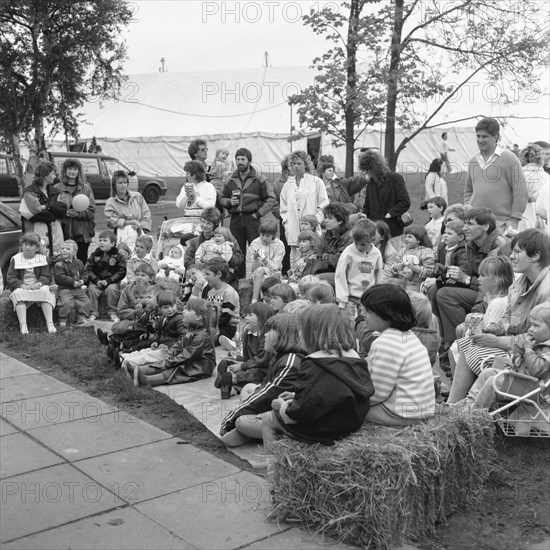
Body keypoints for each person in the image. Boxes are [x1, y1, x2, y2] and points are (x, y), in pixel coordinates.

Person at [447, 229, 550, 403]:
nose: (512, 256)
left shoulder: (546, 290)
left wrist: (495, 341)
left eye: (517, 251)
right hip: (517, 346)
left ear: (535, 256)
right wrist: (491, 329)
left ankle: (467, 409)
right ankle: (455, 405)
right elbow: (507, 318)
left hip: (533, 354)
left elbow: (537, 336)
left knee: (474, 350)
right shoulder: (520, 282)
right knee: (464, 342)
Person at [261, 304, 374, 448]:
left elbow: (303, 412)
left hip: (324, 430)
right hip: (351, 424)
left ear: (312, 333)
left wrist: (284, 406)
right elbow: (332, 393)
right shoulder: (354, 357)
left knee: (267, 419)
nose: (299, 334)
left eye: (301, 330)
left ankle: (270, 467)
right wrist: (296, 396)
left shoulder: (314, 363)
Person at [219, 313, 304, 447]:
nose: (264, 335)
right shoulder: (280, 356)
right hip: (276, 408)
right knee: (248, 388)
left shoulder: (290, 362)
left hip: (289, 420)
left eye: (269, 331)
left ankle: (259, 434)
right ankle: (252, 434)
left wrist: (231, 418)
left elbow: (267, 395)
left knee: (242, 421)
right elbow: (264, 390)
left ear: (282, 336)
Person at [360, 285, 435, 426]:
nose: (363, 314)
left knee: (345, 408)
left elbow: (377, 393)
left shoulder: (386, 343)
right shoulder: (408, 337)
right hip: (421, 410)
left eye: (368, 310)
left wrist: (355, 400)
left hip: (399, 413)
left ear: (386, 315)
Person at [455, 303, 550, 411]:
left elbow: (537, 370)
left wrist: (528, 350)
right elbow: (520, 357)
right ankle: (467, 405)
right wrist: (514, 360)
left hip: (535, 390)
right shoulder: (536, 341)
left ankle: (475, 413)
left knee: (493, 381)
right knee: (488, 372)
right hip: (523, 382)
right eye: (531, 325)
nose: (531, 329)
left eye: (536, 326)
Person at [435, 207, 506, 348]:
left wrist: (466, 280)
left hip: (494, 296)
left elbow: (491, 285)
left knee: (445, 294)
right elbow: (468, 272)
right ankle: (444, 341)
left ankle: (461, 341)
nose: (465, 228)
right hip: (478, 288)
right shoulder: (471, 243)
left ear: (485, 226)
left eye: (470, 224)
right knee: (434, 289)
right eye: (465, 223)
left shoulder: (498, 247)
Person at [130, 298, 219, 387]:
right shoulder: (193, 329)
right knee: (167, 363)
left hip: (201, 366)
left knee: (176, 371)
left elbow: (187, 354)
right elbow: (180, 344)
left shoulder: (202, 335)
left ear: (198, 317)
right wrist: (171, 353)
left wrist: (169, 362)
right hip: (192, 360)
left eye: (188, 310)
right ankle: (138, 370)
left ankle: (146, 381)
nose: (183, 311)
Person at [463, 117, 528, 235]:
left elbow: (520, 191)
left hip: (501, 224)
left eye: (485, 136)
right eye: (478, 136)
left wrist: (515, 219)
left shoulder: (509, 158)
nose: (480, 140)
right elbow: (468, 190)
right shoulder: (473, 161)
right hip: (475, 224)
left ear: (496, 137)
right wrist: (469, 209)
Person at [220, 148, 274, 277]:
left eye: (243, 159)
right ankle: (238, 280)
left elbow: (271, 199)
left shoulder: (260, 179)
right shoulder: (230, 179)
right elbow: (221, 198)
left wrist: (258, 214)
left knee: (257, 250)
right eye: (237, 159)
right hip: (235, 220)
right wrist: (229, 202)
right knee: (237, 251)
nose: (240, 162)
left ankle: (257, 278)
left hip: (252, 219)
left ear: (249, 161)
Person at [121, 289, 185, 384]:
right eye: (166, 307)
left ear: (176, 304)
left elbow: (182, 337)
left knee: (148, 356)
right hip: (160, 346)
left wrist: (169, 347)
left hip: (170, 351)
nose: (170, 309)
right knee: (143, 351)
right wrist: (155, 341)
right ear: (160, 308)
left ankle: (127, 363)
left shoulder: (179, 319)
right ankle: (122, 357)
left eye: (172, 306)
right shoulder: (163, 318)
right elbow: (158, 332)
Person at [215, 302, 276, 399]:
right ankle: (228, 383)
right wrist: (242, 365)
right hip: (250, 364)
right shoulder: (248, 332)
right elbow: (247, 355)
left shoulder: (266, 336)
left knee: (253, 374)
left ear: (262, 318)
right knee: (229, 363)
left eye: (250, 315)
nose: (246, 318)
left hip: (264, 368)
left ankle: (232, 380)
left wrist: (242, 366)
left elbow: (262, 360)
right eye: (246, 315)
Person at [280, 151, 329, 269]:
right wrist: (287, 224)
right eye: (293, 163)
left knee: (310, 261)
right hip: (293, 229)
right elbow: (284, 208)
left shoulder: (316, 182)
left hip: (311, 228)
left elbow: (323, 205)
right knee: (295, 262)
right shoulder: (288, 184)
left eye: (299, 163)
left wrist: (314, 221)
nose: (296, 166)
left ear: (306, 164)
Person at [6, 232, 58, 335]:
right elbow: (10, 277)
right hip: (23, 287)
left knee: (46, 292)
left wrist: (38, 284)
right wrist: (22, 285)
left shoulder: (42, 259)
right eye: (26, 244)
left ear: (37, 248)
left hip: (38, 286)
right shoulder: (15, 259)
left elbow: (47, 276)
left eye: (31, 245)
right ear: (22, 246)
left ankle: (50, 324)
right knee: (18, 294)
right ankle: (23, 326)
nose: (28, 247)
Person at [335, 219, 382, 325]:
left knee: (365, 324)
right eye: (356, 243)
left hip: (367, 297)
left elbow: (378, 274)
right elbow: (340, 274)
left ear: (372, 240)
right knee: (348, 324)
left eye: (363, 244)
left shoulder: (376, 253)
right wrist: (342, 298)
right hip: (350, 296)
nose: (359, 247)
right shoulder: (349, 251)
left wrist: (377, 294)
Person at [183, 207, 244, 288]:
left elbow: (239, 258)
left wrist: (222, 258)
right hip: (202, 274)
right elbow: (187, 262)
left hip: (224, 274)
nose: (204, 226)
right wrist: (204, 259)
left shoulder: (228, 237)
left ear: (215, 225)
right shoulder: (195, 241)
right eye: (203, 221)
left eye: (208, 223)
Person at [360, 149, 411, 239]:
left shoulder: (395, 179)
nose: (366, 173)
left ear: (375, 168)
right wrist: (364, 213)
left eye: (368, 170)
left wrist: (390, 213)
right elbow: (367, 205)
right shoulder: (371, 183)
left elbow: (405, 202)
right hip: (375, 233)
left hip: (393, 232)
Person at [20, 161, 66, 257]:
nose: (55, 177)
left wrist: (47, 207)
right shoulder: (29, 191)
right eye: (53, 174)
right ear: (45, 175)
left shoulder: (55, 191)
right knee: (39, 263)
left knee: (57, 262)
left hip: (56, 235)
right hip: (36, 233)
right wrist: (53, 210)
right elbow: (33, 213)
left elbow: (63, 209)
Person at [54, 158, 96, 263]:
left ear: (79, 171)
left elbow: (91, 210)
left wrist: (78, 214)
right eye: (70, 169)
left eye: (75, 169)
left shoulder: (86, 188)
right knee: (64, 261)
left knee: (82, 261)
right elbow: (53, 209)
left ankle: (82, 279)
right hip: (64, 231)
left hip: (82, 233)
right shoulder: (56, 188)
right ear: (64, 171)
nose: (72, 172)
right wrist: (64, 213)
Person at [85, 229, 127, 322]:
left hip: (112, 281)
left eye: (105, 240)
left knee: (112, 290)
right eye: (100, 240)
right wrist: (96, 280)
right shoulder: (95, 254)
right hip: (97, 280)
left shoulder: (118, 255)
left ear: (112, 243)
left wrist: (108, 281)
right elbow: (89, 269)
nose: (101, 243)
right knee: (92, 290)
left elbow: (122, 271)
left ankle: (112, 312)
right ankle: (93, 313)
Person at [104, 170, 151, 253]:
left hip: (140, 233)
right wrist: (132, 222)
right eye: (120, 183)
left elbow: (146, 214)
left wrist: (140, 225)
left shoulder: (138, 196)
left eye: (125, 182)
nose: (123, 185)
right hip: (121, 236)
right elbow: (111, 221)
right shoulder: (110, 202)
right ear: (114, 185)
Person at [53, 239, 91, 328]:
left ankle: (82, 317)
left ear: (74, 252)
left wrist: (83, 280)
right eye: (63, 249)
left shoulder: (79, 262)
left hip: (78, 289)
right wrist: (73, 282)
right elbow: (61, 277)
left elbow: (85, 272)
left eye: (67, 249)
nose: (64, 250)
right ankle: (62, 319)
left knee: (86, 301)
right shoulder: (58, 264)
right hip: (64, 289)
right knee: (65, 303)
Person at [246, 218, 285, 302]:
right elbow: (251, 268)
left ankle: (255, 300)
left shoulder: (279, 244)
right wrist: (256, 259)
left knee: (263, 275)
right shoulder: (255, 243)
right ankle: (263, 303)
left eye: (268, 236)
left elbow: (276, 266)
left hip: (274, 273)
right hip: (256, 274)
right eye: (262, 235)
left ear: (273, 235)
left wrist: (265, 261)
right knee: (261, 275)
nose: (264, 238)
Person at [387, 225, 435, 292]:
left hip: (417, 283)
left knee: (410, 291)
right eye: (405, 237)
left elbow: (431, 272)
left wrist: (419, 270)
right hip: (402, 280)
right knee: (390, 283)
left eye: (410, 237)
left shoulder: (427, 252)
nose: (406, 239)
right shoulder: (403, 251)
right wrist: (395, 267)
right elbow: (395, 263)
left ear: (418, 240)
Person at [203, 257, 240, 341]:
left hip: (226, 327)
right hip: (212, 325)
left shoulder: (229, 292)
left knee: (205, 341)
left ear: (219, 274)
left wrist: (209, 327)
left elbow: (225, 318)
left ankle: (230, 340)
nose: (205, 277)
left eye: (208, 274)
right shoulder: (209, 292)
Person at [313, 203, 353, 280]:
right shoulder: (325, 234)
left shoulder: (348, 237)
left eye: (330, 218)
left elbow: (338, 262)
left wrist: (325, 256)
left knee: (314, 280)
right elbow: (318, 255)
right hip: (325, 269)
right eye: (325, 218)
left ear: (340, 221)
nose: (326, 221)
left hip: (342, 273)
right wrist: (326, 256)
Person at [518, 143, 550, 231]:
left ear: (524, 158)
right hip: (543, 220)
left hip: (523, 218)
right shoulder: (546, 177)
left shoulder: (520, 175)